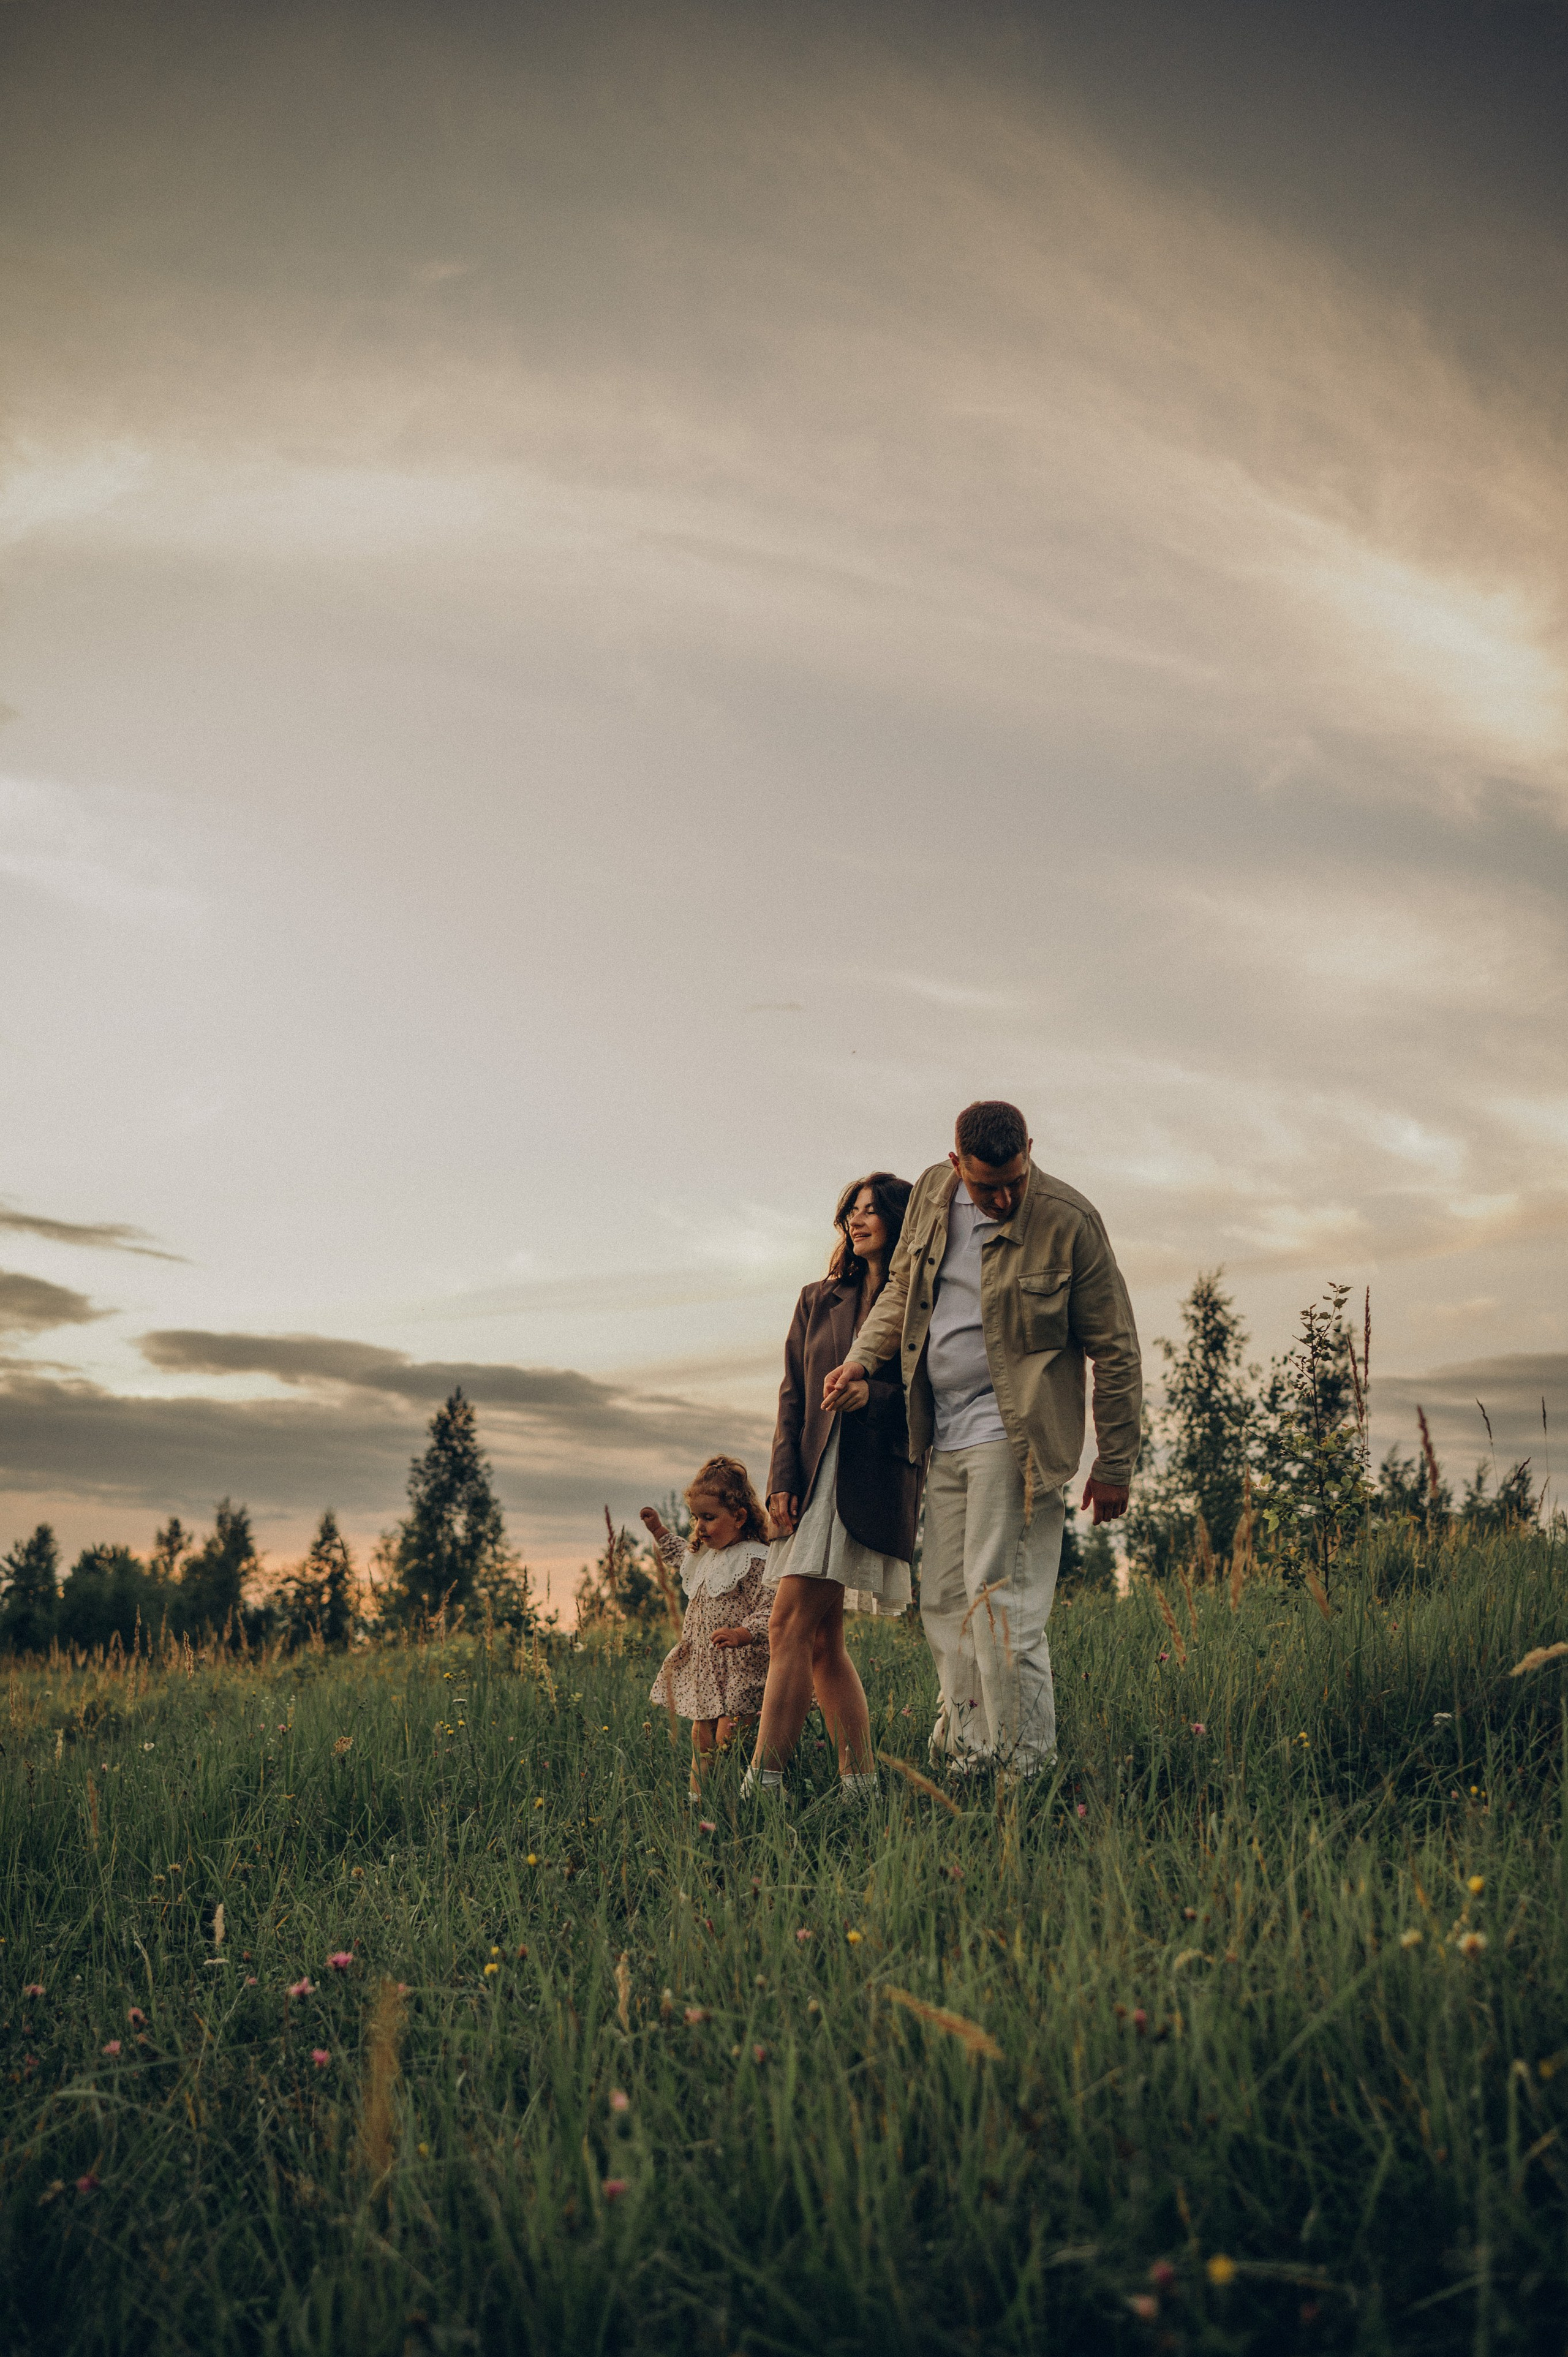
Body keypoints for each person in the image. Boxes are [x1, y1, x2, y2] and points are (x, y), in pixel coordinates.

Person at [822, 1101, 1141, 1780]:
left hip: (1017, 1437)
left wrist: (1115, 1462)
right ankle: (970, 1755)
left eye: (1014, 1181)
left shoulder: (1070, 1221)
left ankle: (1026, 1769)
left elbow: (1115, 1348)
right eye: (986, 1186)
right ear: (954, 1163)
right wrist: (860, 1359)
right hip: (942, 1431)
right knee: (943, 1599)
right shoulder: (932, 1194)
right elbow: (902, 1288)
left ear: (1029, 1149)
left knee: (998, 1601)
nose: (1002, 1199)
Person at [742, 1172, 922, 1805]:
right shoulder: (816, 1298)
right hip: (810, 1479)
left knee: (786, 1623)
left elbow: (929, 1398)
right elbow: (792, 1395)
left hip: (871, 1481)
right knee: (820, 1639)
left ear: (901, 1221)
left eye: (872, 1209)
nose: (858, 1219)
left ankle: (762, 1786)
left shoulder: (918, 1302)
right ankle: (860, 1788)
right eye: (852, 1210)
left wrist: (871, 1395)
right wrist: (781, 1480)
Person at [642, 1457, 773, 1801]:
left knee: (729, 1738)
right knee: (700, 1738)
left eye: (709, 1518)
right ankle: (698, 1802)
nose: (700, 1527)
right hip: (707, 1666)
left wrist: (742, 1633)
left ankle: (743, 1797)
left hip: (741, 1667)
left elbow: (771, 1607)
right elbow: (678, 1555)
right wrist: (658, 1531)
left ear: (740, 1517)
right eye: (696, 1517)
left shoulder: (754, 1558)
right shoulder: (704, 1555)